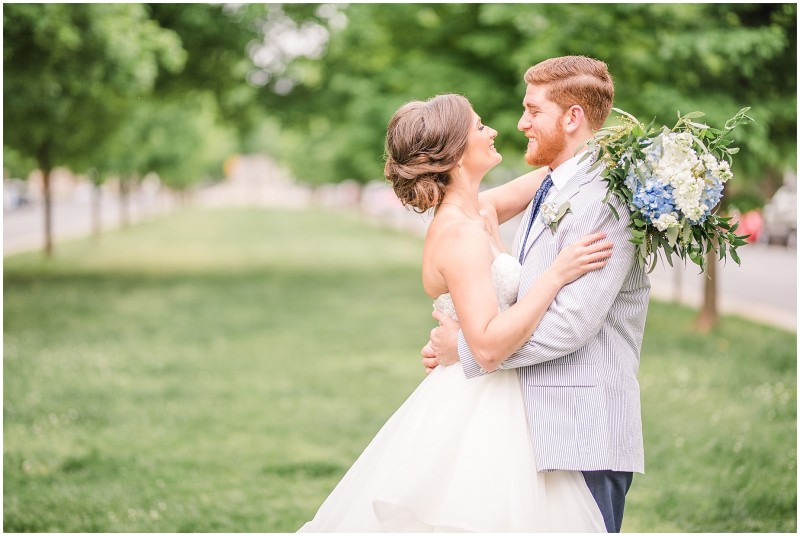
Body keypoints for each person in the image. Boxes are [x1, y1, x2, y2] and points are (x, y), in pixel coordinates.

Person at [298, 93, 613, 532]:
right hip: (481, 401)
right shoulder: (460, 233)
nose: (493, 132)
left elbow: (556, 175)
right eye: (480, 127)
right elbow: (485, 346)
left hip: (500, 392)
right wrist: (555, 275)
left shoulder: (478, 209)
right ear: (456, 152)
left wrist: (625, 149)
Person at [422, 56, 650, 533]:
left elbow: (571, 325)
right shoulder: (555, 181)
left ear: (571, 118)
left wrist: (464, 349)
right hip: (535, 426)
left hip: (583, 429)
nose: (519, 123)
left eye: (533, 111)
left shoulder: (606, 200)